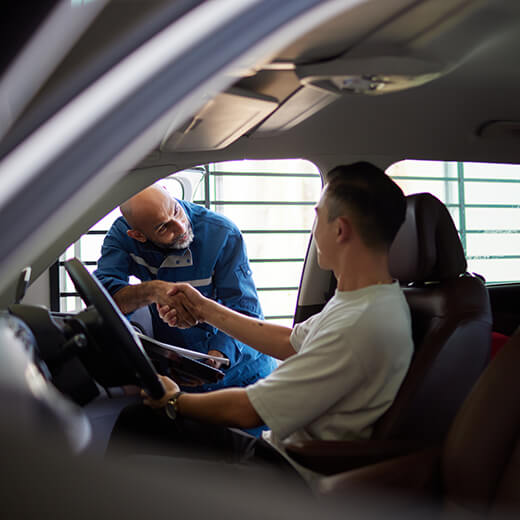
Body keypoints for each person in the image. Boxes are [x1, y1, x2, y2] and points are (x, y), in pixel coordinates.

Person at [112, 162, 414, 485]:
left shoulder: (361, 325)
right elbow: (290, 342)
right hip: (275, 452)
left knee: (133, 468)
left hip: (287, 474)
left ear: (340, 230)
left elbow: (248, 411)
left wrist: (173, 399)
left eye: (316, 216)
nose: (313, 230)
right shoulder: (364, 300)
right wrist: (204, 309)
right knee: (136, 421)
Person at [94, 185, 277, 391]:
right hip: (180, 372)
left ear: (167, 190)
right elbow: (104, 297)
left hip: (242, 374)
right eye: (163, 228)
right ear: (137, 235)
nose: (180, 227)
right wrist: (154, 291)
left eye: (175, 210)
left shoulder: (222, 233)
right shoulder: (122, 236)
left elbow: (246, 312)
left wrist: (215, 359)